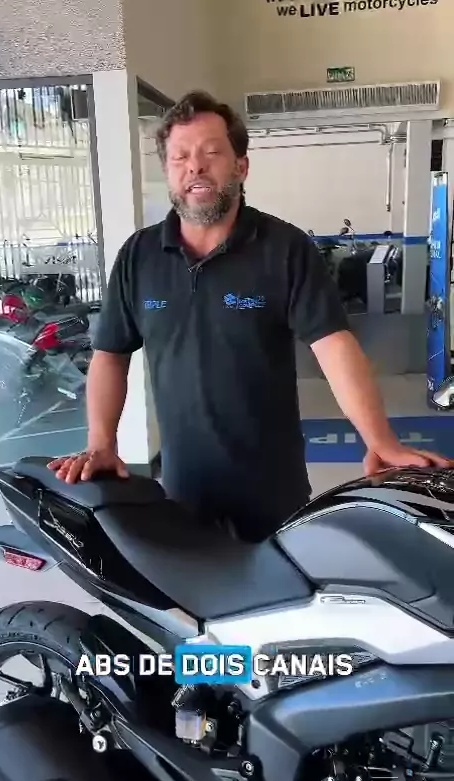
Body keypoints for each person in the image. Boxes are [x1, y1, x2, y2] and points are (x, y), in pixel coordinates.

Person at [48, 90, 451, 542]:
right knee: (191, 581)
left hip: (272, 490)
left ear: (241, 166)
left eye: (211, 153)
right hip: (183, 488)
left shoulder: (285, 249)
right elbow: (110, 353)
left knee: (286, 584)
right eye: (180, 157)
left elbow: (334, 346)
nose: (195, 167)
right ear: (168, 171)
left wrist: (381, 441)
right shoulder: (138, 256)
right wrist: (102, 443)